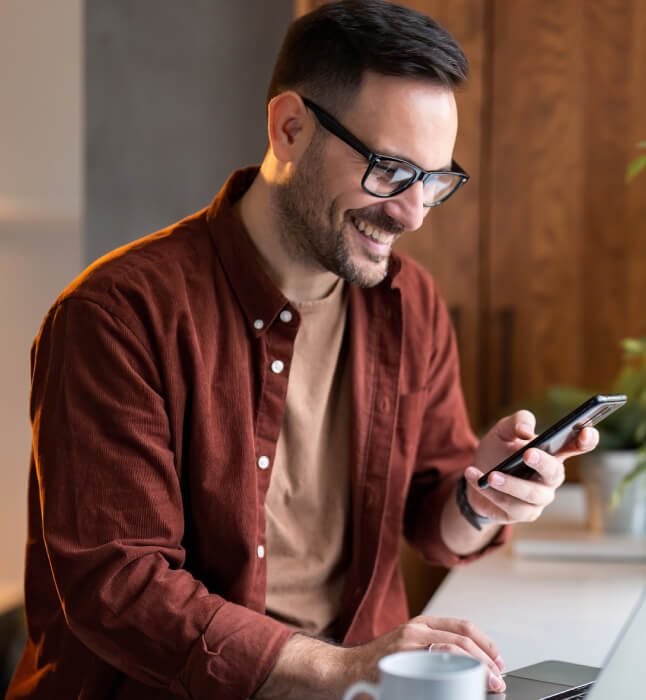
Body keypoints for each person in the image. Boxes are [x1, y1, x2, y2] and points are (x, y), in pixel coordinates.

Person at [6, 1, 598, 698]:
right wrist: (346, 667)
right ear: (289, 128)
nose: (410, 213)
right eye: (388, 170)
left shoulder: (409, 303)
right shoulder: (117, 316)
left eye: (434, 181)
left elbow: (431, 521)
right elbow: (120, 587)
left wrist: (482, 498)